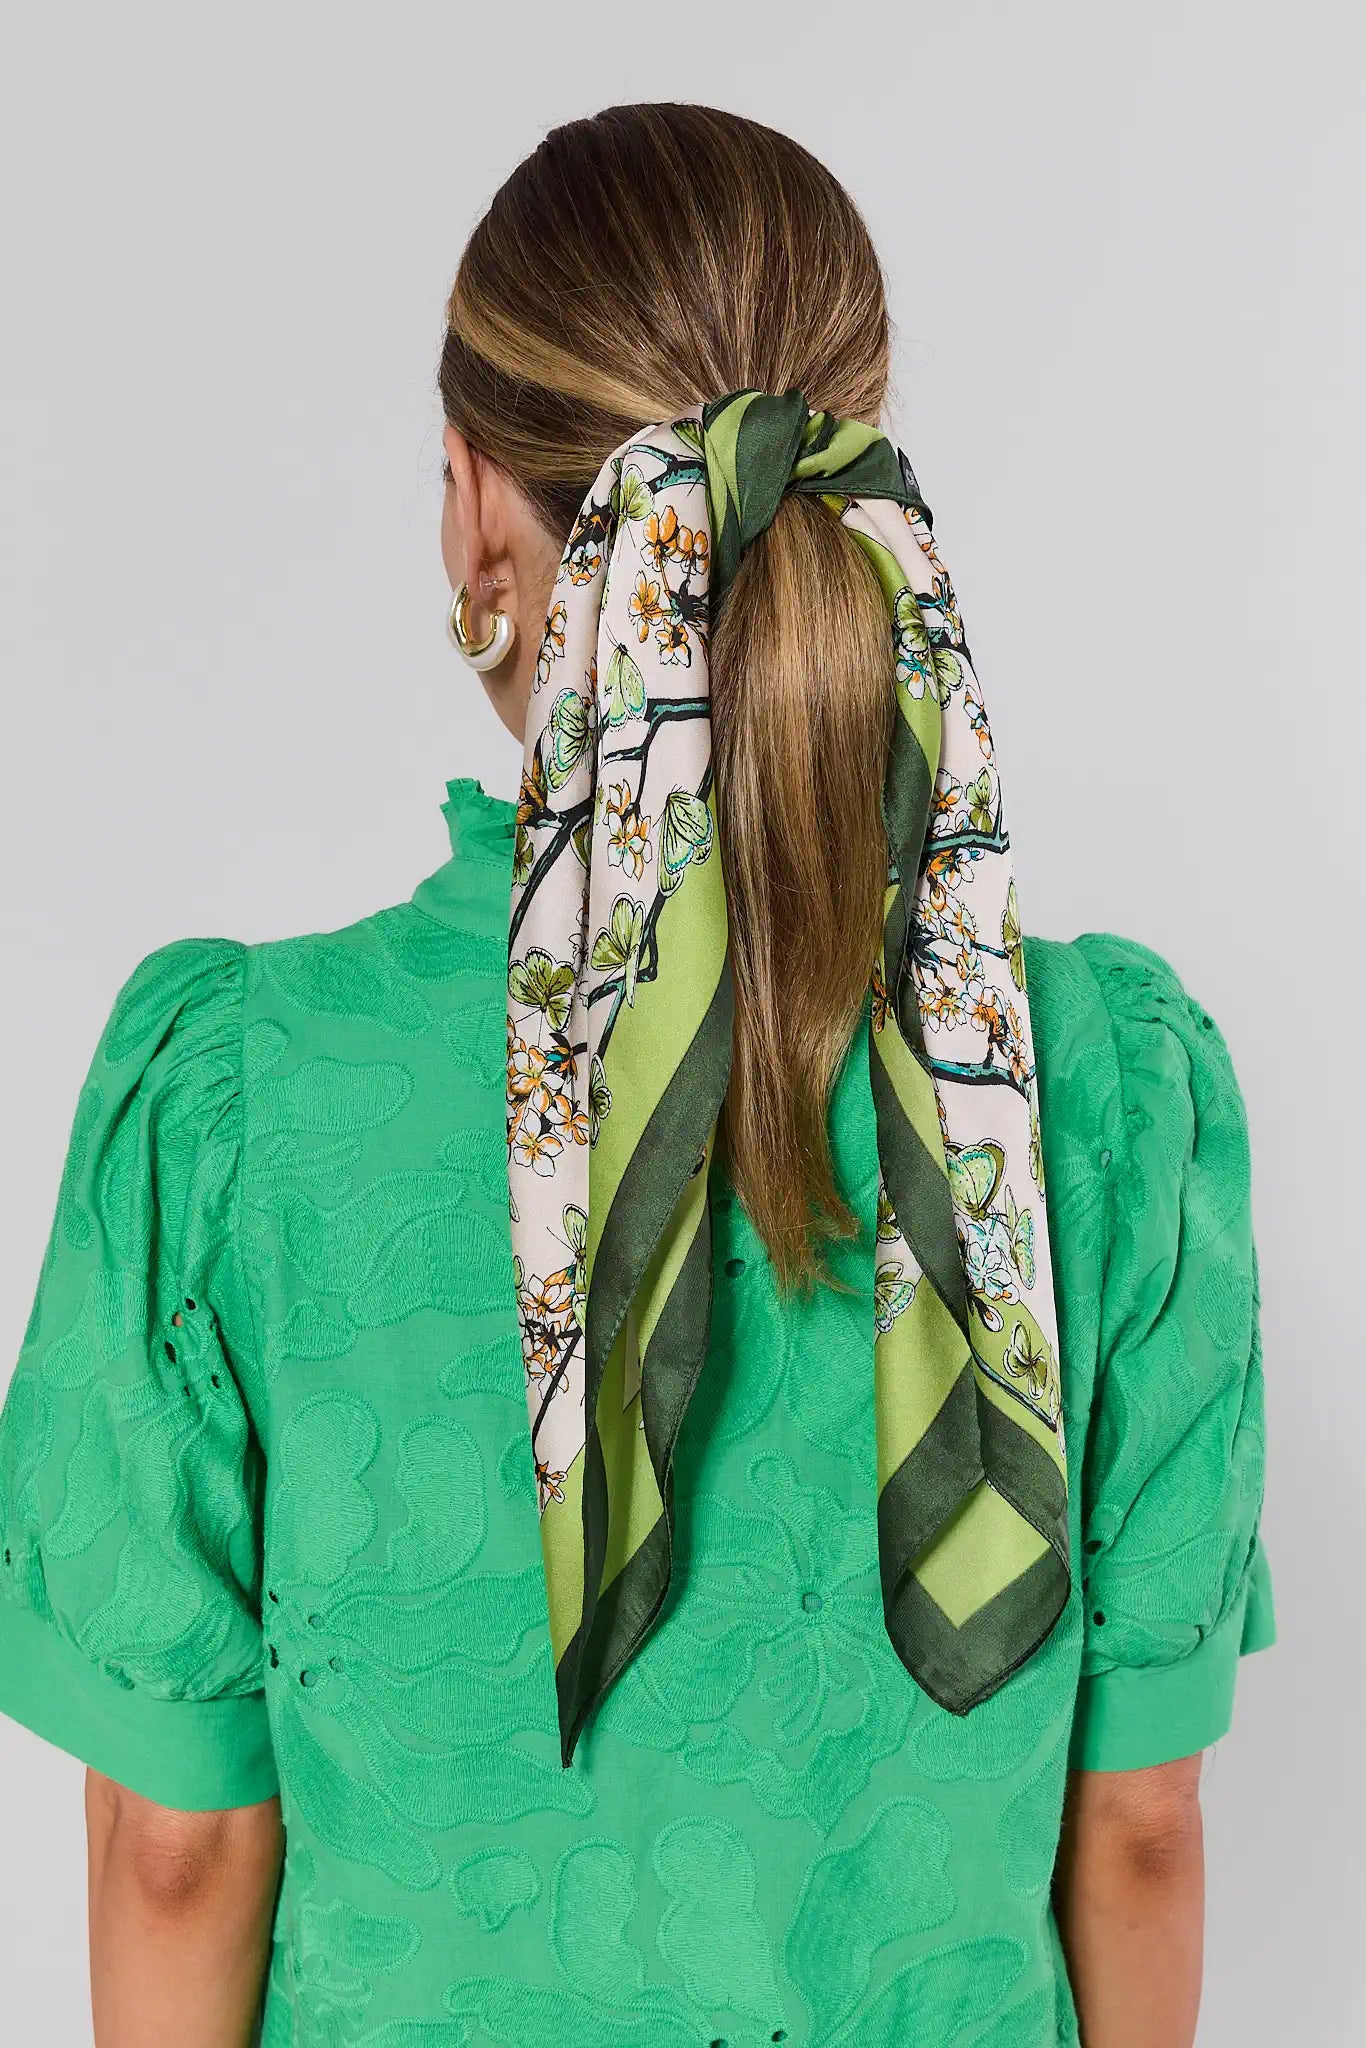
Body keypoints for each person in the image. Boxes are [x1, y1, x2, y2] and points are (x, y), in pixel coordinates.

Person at [0, 103, 1271, 2048]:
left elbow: (173, 1850)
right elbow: (1143, 1823)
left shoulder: (228, 1104)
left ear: (473, 512)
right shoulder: (1106, 1085)